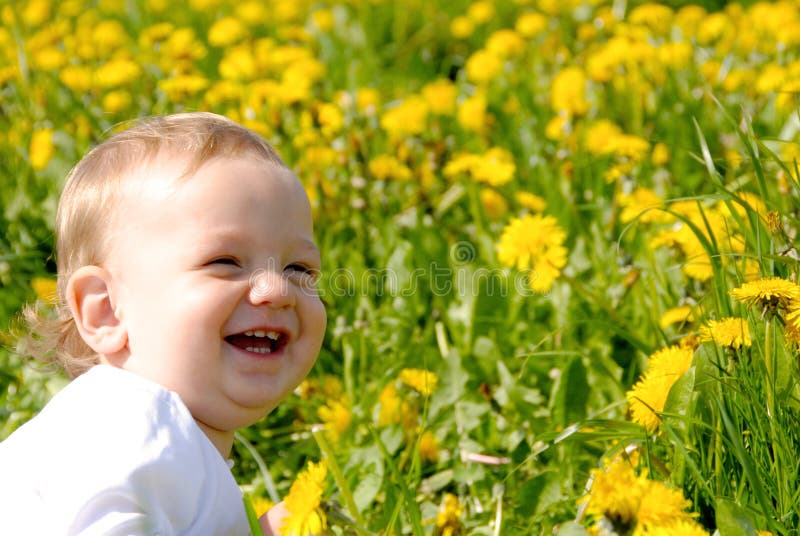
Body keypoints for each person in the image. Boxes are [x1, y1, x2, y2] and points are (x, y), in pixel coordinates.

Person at [0, 112, 327, 535]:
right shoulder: (136, 423)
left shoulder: (135, 432)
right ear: (107, 310)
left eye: (299, 268)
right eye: (224, 262)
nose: (277, 289)